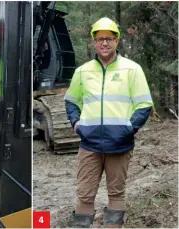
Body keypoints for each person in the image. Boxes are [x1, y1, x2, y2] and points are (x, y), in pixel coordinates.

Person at [65, 17, 153, 228]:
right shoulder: (83, 71)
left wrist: (129, 129)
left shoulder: (132, 70)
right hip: (90, 145)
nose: (105, 43)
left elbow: (144, 104)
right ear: (94, 42)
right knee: (85, 193)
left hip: (120, 144)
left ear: (117, 41)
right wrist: (77, 125)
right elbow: (71, 101)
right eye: (100, 39)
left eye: (110, 39)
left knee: (116, 192)